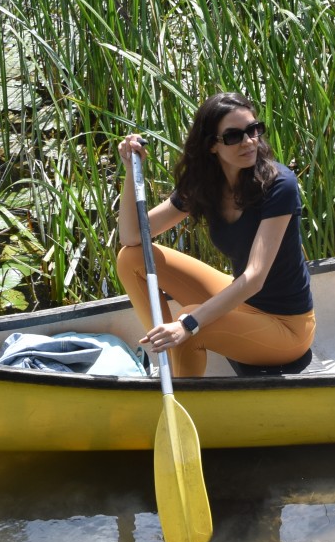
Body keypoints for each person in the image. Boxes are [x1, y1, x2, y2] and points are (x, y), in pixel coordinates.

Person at [114, 92, 315, 378]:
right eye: (233, 136)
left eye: (253, 130)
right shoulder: (205, 186)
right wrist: (130, 171)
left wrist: (187, 325)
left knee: (190, 326)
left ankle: (186, 395)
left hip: (286, 327)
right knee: (130, 258)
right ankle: (168, 357)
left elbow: (254, 278)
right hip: (244, 303)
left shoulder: (278, 185)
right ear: (211, 145)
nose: (249, 141)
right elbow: (133, 236)